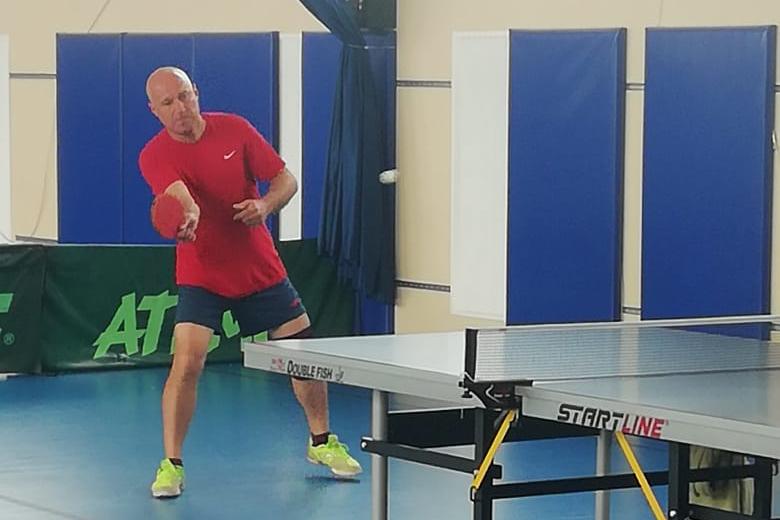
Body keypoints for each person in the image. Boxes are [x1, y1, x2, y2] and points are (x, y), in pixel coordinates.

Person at [139, 66, 361, 498]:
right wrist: (190, 213)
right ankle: (171, 464)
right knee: (187, 363)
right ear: (155, 110)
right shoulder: (154, 154)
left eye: (184, 96)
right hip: (202, 273)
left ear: (195, 92)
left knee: (303, 354)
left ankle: (321, 441)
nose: (179, 107)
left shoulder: (235, 130)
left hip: (259, 267)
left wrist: (265, 205)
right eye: (168, 102)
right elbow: (179, 194)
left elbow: (286, 179)